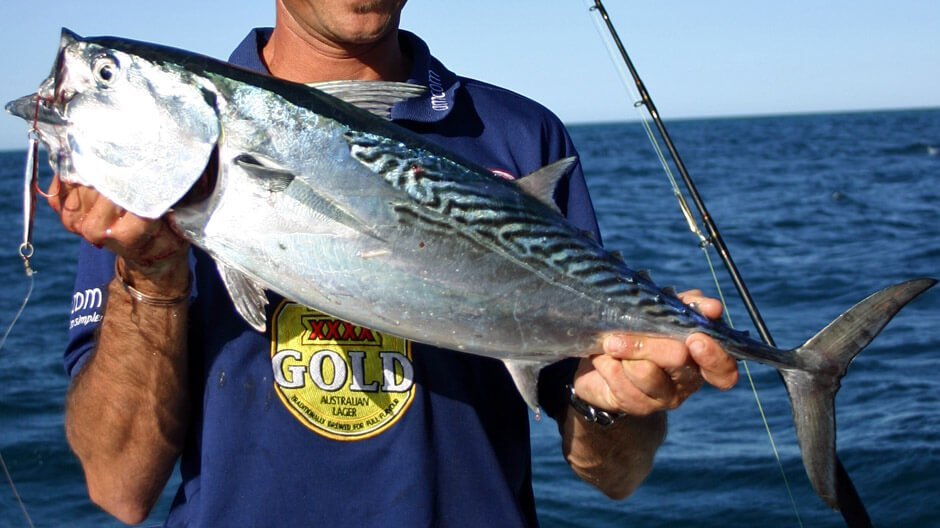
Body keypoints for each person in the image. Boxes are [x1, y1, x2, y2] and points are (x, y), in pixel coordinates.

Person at [53, 1, 739, 526]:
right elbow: (118, 490)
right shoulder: (141, 182)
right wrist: (150, 273)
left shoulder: (519, 134)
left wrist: (617, 404)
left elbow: (615, 476)